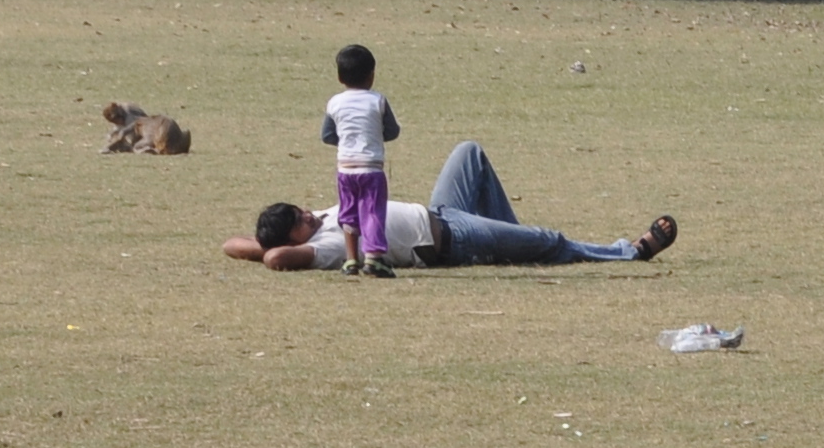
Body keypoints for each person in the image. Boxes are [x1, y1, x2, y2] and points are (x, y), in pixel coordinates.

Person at [224, 140, 675, 270]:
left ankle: (511, 246)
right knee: (550, 240)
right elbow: (277, 256)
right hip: (451, 242)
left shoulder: (322, 222)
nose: (308, 214)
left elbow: (230, 243)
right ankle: (629, 251)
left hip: (443, 213)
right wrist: (269, 250)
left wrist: (265, 240)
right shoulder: (327, 250)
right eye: (299, 221)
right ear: (294, 239)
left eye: (300, 210)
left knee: (469, 153)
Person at [323, 42, 400, 278]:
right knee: (372, 212)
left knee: (348, 212)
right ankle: (374, 258)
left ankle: (351, 260)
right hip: (371, 167)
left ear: (339, 77)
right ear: (372, 75)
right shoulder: (378, 100)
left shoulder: (334, 102)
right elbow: (392, 131)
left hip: (345, 168)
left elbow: (327, 135)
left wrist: (347, 141)